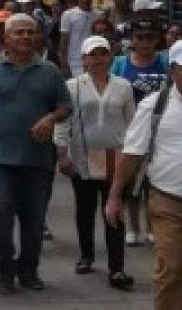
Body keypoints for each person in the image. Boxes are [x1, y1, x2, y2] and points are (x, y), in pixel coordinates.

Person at [0, 14, 71, 295]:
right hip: (1, 159)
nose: (24, 37)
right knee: (2, 215)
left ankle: (29, 270)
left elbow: (66, 106)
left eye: (29, 32)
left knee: (34, 221)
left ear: (37, 37)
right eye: (18, 32)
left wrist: (50, 119)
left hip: (39, 160)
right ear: (5, 39)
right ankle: (5, 272)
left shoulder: (49, 71)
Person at [107, 39, 182, 310]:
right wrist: (115, 196)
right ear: (173, 71)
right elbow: (131, 155)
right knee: (174, 268)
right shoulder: (156, 106)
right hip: (169, 200)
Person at [55, 36, 135, 290]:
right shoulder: (72, 86)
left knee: (114, 209)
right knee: (85, 209)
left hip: (115, 155)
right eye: (93, 54)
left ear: (110, 56)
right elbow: (63, 121)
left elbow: (131, 122)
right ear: (84, 59)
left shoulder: (123, 86)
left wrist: (133, 154)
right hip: (83, 155)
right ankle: (87, 255)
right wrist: (62, 153)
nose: (98, 59)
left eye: (103, 53)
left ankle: (117, 268)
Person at [112, 19, 169, 245]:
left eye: (150, 37)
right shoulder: (120, 63)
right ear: (132, 40)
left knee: (153, 183)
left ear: (157, 39)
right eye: (140, 37)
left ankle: (152, 227)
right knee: (131, 182)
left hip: (162, 132)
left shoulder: (165, 62)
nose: (145, 42)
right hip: (132, 130)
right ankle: (133, 227)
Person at [59, 0, 97, 79]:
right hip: (74, 64)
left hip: (93, 62)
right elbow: (63, 44)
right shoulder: (68, 15)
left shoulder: (98, 15)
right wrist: (65, 67)